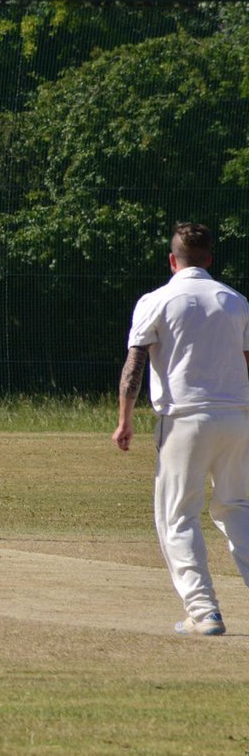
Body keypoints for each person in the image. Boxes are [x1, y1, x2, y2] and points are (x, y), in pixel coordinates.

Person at [112, 222, 249, 635]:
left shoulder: (158, 299)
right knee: (238, 509)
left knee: (177, 515)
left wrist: (125, 418)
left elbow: (134, 365)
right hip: (236, 418)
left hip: (184, 421)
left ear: (173, 260)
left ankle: (204, 612)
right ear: (209, 259)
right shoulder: (234, 300)